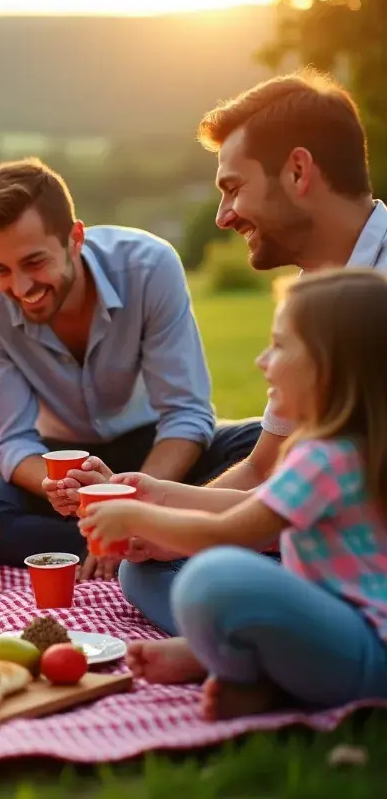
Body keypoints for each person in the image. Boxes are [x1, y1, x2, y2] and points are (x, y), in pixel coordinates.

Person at [120, 70, 387, 631]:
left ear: (297, 171)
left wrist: (178, 524)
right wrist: (159, 509)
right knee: (144, 566)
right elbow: (264, 468)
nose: (223, 217)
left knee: (202, 574)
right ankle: (256, 638)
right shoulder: (310, 301)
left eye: (233, 187)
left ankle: (261, 646)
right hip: (317, 539)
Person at [81, 269, 387, 720]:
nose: (263, 361)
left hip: (367, 656)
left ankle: (226, 661)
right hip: (343, 637)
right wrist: (159, 495)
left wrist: (134, 516)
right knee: (152, 571)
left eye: (280, 346)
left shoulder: (326, 458)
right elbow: (255, 512)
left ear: (329, 367)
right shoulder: (352, 448)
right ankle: (258, 679)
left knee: (212, 577)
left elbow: (230, 534)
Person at [0, 158, 260, 578]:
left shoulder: (149, 267)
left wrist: (130, 505)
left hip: (154, 450)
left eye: (35, 262)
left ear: (75, 238)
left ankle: (148, 535)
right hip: (59, 463)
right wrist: (59, 487)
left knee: (262, 444)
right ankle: (135, 543)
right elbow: (11, 443)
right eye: (0, 269)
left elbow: (186, 415)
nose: (21, 288)